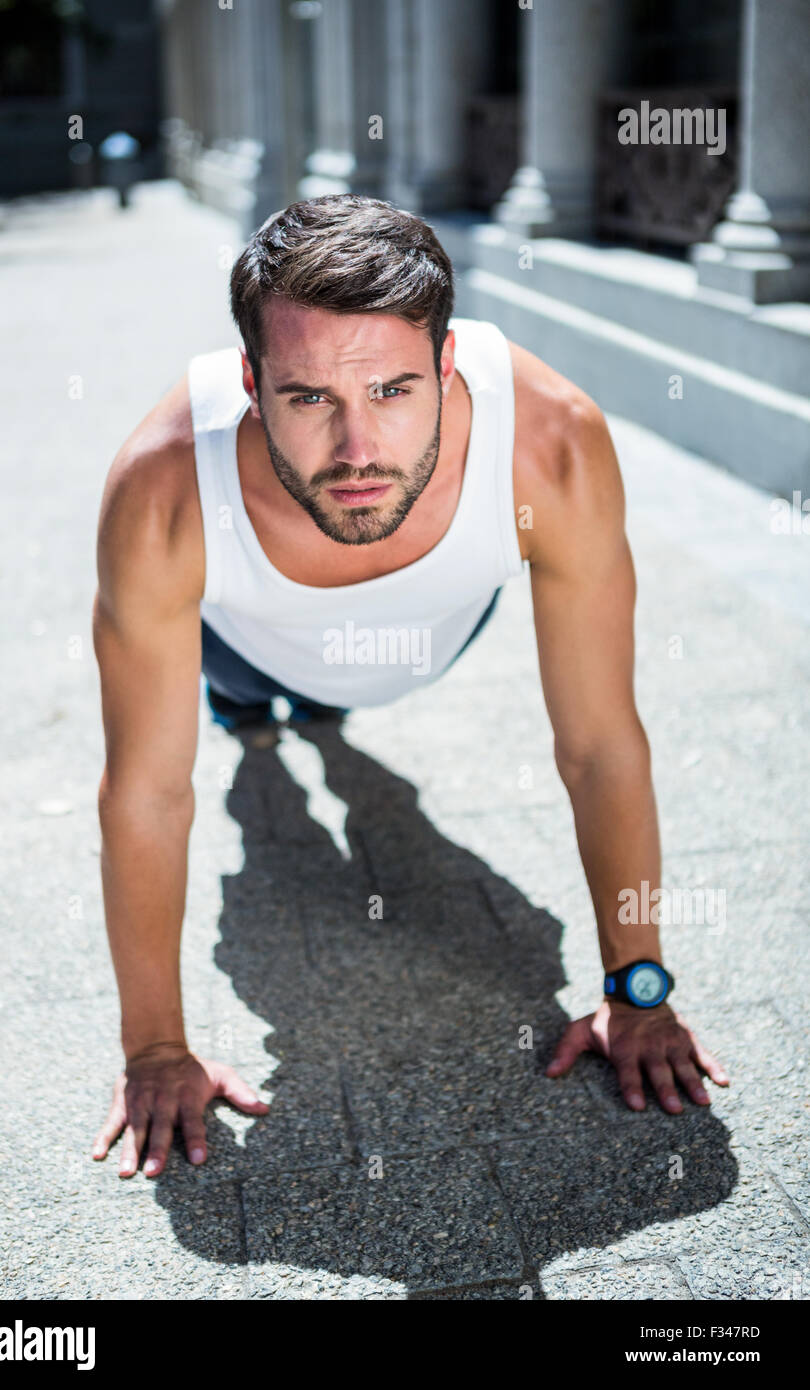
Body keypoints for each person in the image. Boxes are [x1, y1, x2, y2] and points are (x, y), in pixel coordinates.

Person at [91, 194, 728, 1179]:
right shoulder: (163, 489)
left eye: (392, 390)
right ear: (251, 384)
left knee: (361, 754)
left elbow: (599, 741)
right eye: (309, 399)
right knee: (265, 783)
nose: (356, 451)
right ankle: (264, 722)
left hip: (437, 627)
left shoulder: (547, 444)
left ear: (446, 366)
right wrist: (154, 1049)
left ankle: (321, 723)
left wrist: (637, 989)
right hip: (248, 643)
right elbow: (145, 790)